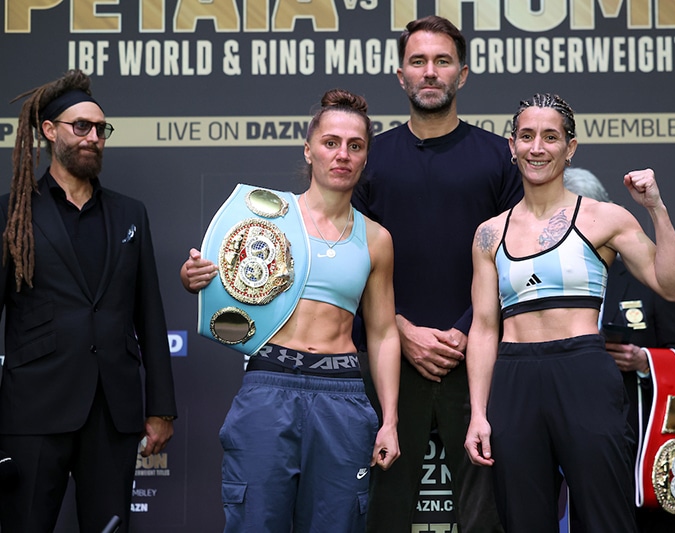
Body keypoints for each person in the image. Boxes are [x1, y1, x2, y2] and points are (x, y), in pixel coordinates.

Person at [464, 93, 675, 533]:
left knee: (606, 517)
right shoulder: (489, 234)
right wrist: (477, 412)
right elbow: (485, 328)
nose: (537, 147)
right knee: (524, 521)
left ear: (570, 148)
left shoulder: (605, 218)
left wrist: (656, 209)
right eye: (526, 136)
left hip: (583, 371)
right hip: (514, 380)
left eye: (550, 137)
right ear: (511, 146)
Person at [180, 89, 401, 532]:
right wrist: (197, 278)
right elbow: (220, 275)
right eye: (331, 142)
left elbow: (382, 333)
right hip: (269, 384)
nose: (342, 155)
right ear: (309, 149)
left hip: (342, 395)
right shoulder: (265, 219)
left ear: (365, 157)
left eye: (355, 146)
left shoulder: (376, 238)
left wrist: (390, 420)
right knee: (254, 523)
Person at [351, 15, 521, 533]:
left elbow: (516, 258)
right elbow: (345, 260)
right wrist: (400, 331)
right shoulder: (368, 160)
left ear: (462, 74)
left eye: (442, 61)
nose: (430, 72)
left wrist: (466, 331)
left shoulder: (500, 157)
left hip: (479, 357)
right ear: (400, 75)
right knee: (380, 507)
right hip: (387, 356)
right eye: (418, 62)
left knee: (487, 510)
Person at [0, 69, 177, 533]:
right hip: (34, 410)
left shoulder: (128, 213)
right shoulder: (13, 212)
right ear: (50, 131)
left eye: (101, 129)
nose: (94, 137)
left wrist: (159, 408)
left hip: (112, 411)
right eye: (82, 126)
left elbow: (149, 315)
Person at [564, 167, 675, 533]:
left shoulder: (644, 278)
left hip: (641, 442)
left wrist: (644, 361)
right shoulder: (548, 287)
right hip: (569, 432)